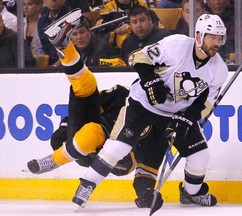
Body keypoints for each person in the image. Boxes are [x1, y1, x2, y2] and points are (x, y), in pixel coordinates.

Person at [71, 13, 228, 212]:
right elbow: (137, 58)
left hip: (174, 114)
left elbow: (205, 103)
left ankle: (191, 194)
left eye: (219, 38)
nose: (217, 43)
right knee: (118, 146)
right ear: (199, 36)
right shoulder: (176, 45)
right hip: (143, 103)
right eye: (212, 37)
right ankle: (87, 184)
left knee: (200, 155)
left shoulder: (219, 69)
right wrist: (151, 82)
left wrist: (186, 119)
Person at [27, 9, 169, 208]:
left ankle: (57, 161)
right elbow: (86, 108)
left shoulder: (162, 123)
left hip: (122, 161)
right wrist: (65, 128)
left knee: (96, 135)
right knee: (86, 89)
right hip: (85, 145)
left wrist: (146, 194)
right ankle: (64, 47)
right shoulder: (122, 93)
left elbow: (147, 170)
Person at [33, 0, 71, 67]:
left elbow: (77, 47)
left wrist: (59, 63)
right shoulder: (41, 21)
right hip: (48, 66)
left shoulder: (73, 17)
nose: (53, 0)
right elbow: (39, 48)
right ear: (44, 1)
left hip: (69, 64)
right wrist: (43, 63)